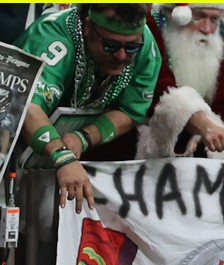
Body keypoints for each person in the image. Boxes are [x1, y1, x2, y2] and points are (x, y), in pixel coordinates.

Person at [16, 4, 162, 213]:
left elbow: (131, 111)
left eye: (131, 47)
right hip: (1, 138)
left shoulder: (145, 45)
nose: (121, 56)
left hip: (53, 149)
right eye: (111, 45)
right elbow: (27, 105)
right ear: (88, 27)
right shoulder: (52, 37)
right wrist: (63, 157)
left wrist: (83, 138)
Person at [135, 4, 224, 158]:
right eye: (198, 17)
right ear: (174, 15)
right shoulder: (151, 28)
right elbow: (158, 89)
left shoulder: (211, 44)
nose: (207, 29)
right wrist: (203, 124)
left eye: (214, 19)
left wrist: (208, 132)